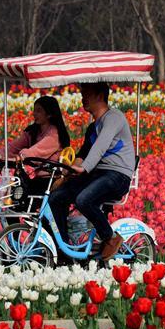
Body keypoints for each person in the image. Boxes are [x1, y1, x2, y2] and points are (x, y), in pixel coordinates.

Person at [49, 82, 136, 261]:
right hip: (97, 174)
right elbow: (83, 154)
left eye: (86, 94)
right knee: (56, 197)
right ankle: (63, 250)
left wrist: (84, 167)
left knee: (83, 199)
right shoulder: (92, 127)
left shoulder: (114, 117)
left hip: (117, 175)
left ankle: (110, 238)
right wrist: (65, 173)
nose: (83, 98)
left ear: (99, 96)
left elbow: (101, 146)